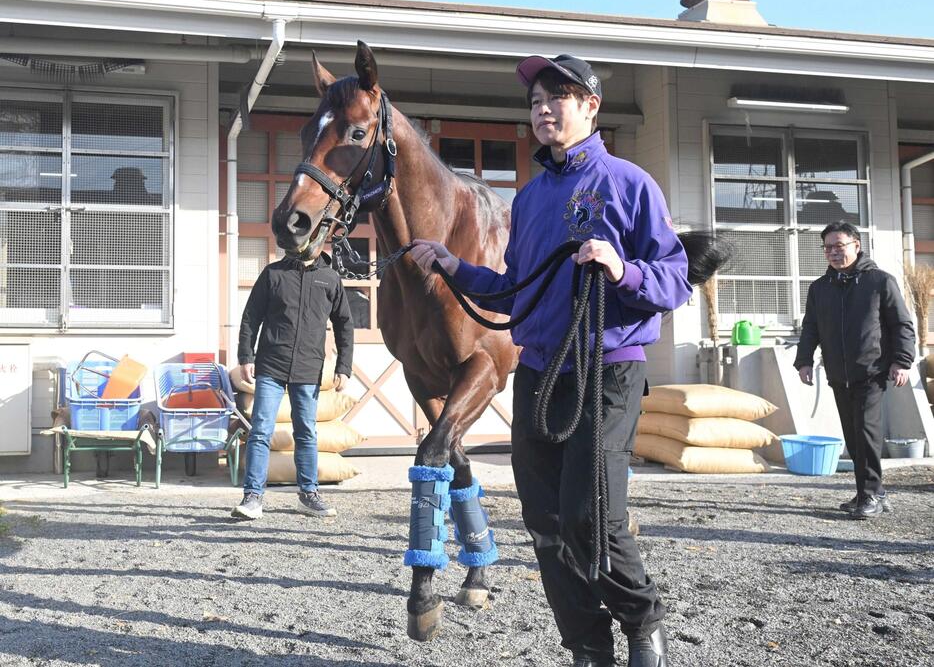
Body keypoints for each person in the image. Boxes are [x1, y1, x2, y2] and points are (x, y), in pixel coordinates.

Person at [410, 53, 690, 667]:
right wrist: (456, 268)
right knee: (543, 522)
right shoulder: (530, 200)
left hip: (607, 368)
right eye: (536, 100)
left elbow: (675, 279)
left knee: (594, 518)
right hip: (539, 372)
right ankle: (588, 647)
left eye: (557, 97)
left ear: (591, 106)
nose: (543, 109)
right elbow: (518, 287)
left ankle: (643, 622)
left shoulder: (631, 184)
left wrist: (622, 269)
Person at [794, 220, 914, 519]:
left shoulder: (880, 282)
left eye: (839, 246)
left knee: (866, 433)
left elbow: (902, 324)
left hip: (871, 372)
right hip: (838, 373)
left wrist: (902, 361)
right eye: (828, 248)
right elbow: (811, 327)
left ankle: (870, 494)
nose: (833, 252)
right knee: (852, 435)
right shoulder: (820, 288)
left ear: (856, 246)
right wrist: (804, 360)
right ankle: (872, 493)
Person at [231, 249, 353, 520]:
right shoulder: (274, 273)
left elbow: (344, 323)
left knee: (306, 432)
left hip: (309, 368)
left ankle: (309, 495)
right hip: (271, 365)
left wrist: (344, 366)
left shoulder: (330, 278)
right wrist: (246, 356)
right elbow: (251, 317)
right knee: (261, 430)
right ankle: (252, 497)